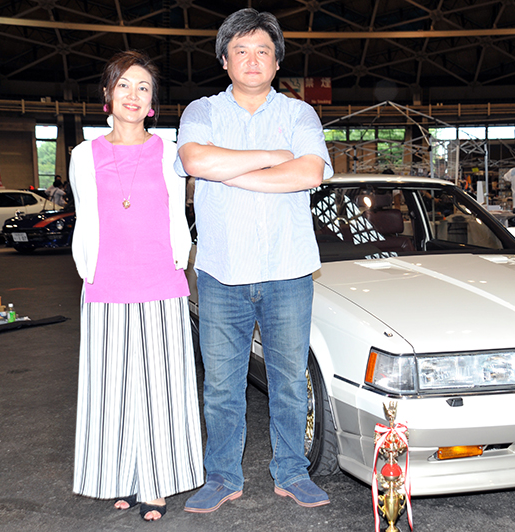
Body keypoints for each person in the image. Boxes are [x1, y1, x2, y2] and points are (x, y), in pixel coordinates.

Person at [175, 8, 334, 513]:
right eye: (240, 50)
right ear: (225, 60)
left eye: (262, 50)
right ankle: (222, 476)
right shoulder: (201, 110)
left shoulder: (299, 114)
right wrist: (271, 155)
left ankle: (291, 471)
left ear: (276, 61)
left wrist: (230, 171)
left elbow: (311, 171)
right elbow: (195, 162)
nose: (252, 59)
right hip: (222, 274)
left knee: (290, 381)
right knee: (222, 385)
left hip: (289, 272)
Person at [69, 50, 203, 522]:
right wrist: (87, 269)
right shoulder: (83, 156)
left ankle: (156, 483)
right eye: (123, 84)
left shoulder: (170, 152)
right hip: (105, 286)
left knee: (161, 390)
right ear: (107, 95)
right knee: (112, 392)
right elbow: (86, 219)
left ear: (152, 103)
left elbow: (179, 215)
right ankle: (122, 477)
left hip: (161, 284)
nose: (133, 94)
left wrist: (180, 262)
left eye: (143, 87)